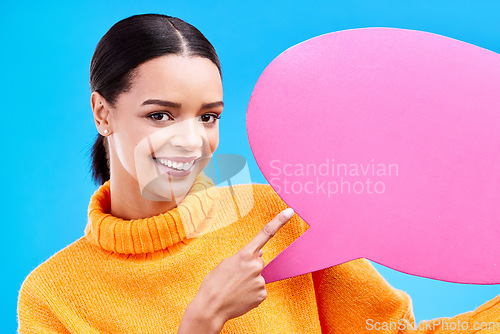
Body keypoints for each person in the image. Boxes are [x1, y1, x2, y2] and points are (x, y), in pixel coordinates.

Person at [17, 13, 500, 334]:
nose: (191, 141)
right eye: (160, 115)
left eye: (208, 116)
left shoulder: (273, 218)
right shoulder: (53, 297)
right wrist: (203, 319)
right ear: (102, 113)